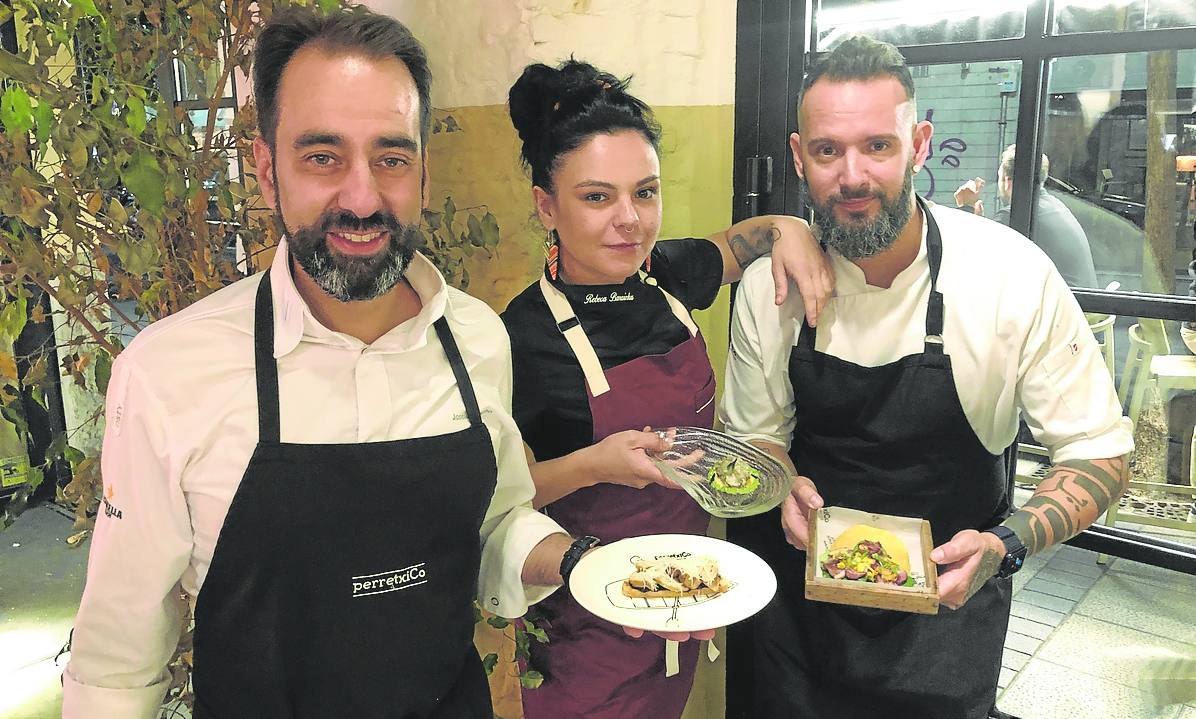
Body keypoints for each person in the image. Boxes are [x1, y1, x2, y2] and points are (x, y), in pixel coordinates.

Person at [62, 8, 606, 717]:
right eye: (322, 156)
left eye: (390, 157)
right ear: (266, 172)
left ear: (422, 172)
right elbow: (116, 665)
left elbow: (496, 521)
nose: (361, 197)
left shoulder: (476, 339)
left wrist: (578, 561)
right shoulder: (169, 374)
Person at [722, 35, 1133, 719]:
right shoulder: (773, 286)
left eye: (878, 146)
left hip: (948, 618)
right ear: (800, 157)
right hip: (799, 626)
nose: (853, 176)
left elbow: (1100, 456)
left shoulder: (1009, 275)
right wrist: (775, 481)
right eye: (828, 151)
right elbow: (756, 438)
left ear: (918, 142)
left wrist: (1008, 542)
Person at [499, 60, 833, 719]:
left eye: (645, 192)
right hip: (583, 636)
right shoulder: (520, 337)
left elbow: (746, 242)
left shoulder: (666, 275)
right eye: (597, 197)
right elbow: (505, 497)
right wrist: (596, 464)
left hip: (682, 600)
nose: (630, 220)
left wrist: (789, 229)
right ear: (546, 204)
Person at [954, 143, 1098, 288]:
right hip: (1080, 305)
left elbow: (972, 264)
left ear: (1007, 181)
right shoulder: (1054, 206)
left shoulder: (1015, 215)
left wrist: (966, 208)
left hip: (1062, 307)